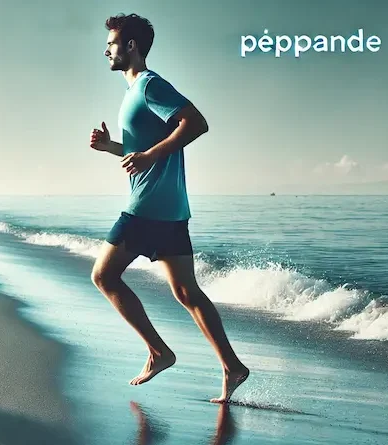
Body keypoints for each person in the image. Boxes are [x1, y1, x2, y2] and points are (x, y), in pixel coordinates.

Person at [89, 13, 250, 404]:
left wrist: (146, 156)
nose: (105, 49)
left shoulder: (148, 84)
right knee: (186, 291)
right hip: (171, 208)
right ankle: (232, 366)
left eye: (111, 43)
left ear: (131, 46)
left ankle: (159, 352)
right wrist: (112, 148)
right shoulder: (134, 92)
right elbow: (143, 151)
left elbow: (195, 123)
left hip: (146, 207)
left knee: (104, 276)